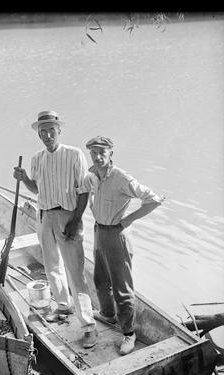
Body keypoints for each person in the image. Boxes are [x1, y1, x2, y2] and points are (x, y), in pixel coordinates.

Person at [13, 110, 98, 349]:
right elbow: (37, 189)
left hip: (67, 215)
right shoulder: (37, 158)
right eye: (43, 131)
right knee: (51, 266)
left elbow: (83, 190)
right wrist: (24, 179)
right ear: (39, 134)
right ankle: (63, 305)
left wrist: (75, 220)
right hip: (44, 216)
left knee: (75, 271)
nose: (48, 134)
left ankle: (89, 326)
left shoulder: (74, 154)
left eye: (52, 130)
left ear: (59, 130)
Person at [84, 136, 165, 355]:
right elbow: (82, 190)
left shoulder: (121, 178)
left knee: (122, 287)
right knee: (100, 280)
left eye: (103, 152)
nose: (98, 156)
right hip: (99, 232)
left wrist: (129, 219)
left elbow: (154, 200)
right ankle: (108, 314)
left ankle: (129, 333)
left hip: (116, 236)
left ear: (111, 154)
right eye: (94, 152)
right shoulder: (93, 175)